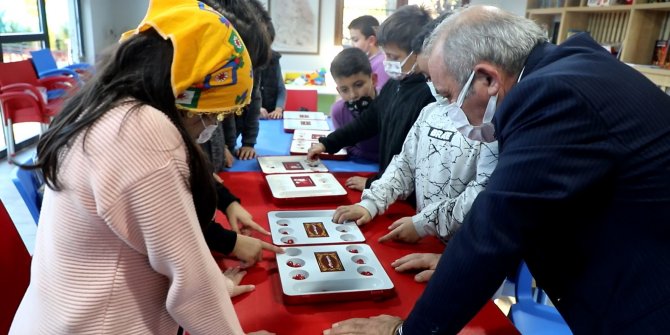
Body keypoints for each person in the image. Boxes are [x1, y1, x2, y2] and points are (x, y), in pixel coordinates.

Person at [324, 5, 670, 335]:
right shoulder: (570, 67)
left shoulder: (549, 95)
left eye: (447, 96)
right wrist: (454, 264)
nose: (445, 108)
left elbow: (496, 227)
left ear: (487, 79)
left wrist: (408, 330)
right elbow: (532, 209)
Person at [10, 1, 275, 334]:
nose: (206, 129)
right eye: (211, 116)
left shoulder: (107, 106)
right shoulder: (141, 129)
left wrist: (216, 289)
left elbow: (143, 251)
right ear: (184, 96)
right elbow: (190, 281)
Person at [330, 11, 498, 285]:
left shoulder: (488, 121)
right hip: (424, 240)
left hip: (467, 253)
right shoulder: (431, 111)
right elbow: (404, 163)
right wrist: (372, 203)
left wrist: (423, 223)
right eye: (425, 76)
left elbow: (482, 192)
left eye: (433, 77)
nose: (430, 86)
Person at [308, 5, 434, 192]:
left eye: (393, 56)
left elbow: (410, 158)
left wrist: (373, 183)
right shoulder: (394, 84)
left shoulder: (427, 95)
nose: (387, 62)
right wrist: (328, 142)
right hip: (387, 184)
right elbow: (368, 122)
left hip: (402, 191)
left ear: (418, 53)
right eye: (386, 55)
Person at [329, 47, 380, 162]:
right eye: (344, 90)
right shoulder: (338, 111)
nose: (353, 95)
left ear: (373, 79)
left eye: (358, 85)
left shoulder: (391, 103)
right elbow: (347, 147)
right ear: (338, 91)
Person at [348, 15, 389, 92]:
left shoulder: (381, 63)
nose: (352, 45)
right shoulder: (365, 60)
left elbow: (379, 94)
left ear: (371, 40)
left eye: (355, 40)